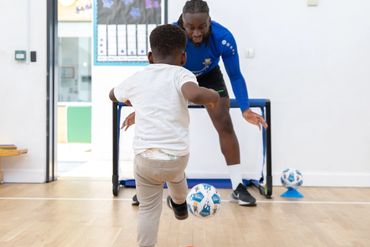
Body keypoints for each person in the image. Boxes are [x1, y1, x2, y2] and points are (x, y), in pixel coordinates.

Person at [130, 0, 268, 207]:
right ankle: (149, 188)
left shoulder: (223, 37)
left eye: (202, 27)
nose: (196, 33)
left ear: (209, 22)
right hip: (176, 74)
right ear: (181, 23)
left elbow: (235, 76)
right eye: (191, 28)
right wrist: (142, 108)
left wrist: (245, 108)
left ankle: (238, 186)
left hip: (209, 75)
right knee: (160, 125)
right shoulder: (170, 36)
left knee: (225, 124)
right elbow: (156, 74)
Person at [110, 24, 219, 247]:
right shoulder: (182, 74)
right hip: (176, 157)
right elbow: (194, 93)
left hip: (145, 158)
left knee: (148, 209)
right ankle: (179, 204)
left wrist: (132, 100)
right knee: (176, 176)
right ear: (183, 57)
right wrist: (214, 96)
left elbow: (112, 94)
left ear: (150, 56)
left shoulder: (138, 78)